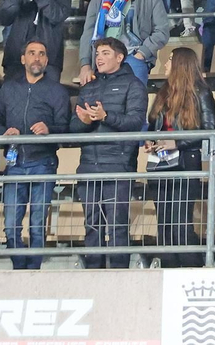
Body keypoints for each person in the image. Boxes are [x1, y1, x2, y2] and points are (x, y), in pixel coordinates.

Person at [0, 39, 70, 269]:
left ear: (46, 60)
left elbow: (66, 128)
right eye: (32, 53)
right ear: (23, 59)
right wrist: (4, 133)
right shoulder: (9, 88)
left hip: (43, 162)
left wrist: (49, 130)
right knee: (11, 224)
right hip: (14, 163)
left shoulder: (57, 91)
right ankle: (18, 268)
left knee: (36, 223)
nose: (37, 58)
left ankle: (34, 270)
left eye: (42, 54)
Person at [74, 37, 146, 268]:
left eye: (105, 53)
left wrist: (106, 117)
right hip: (88, 165)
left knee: (117, 224)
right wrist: (84, 121)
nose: (99, 58)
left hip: (118, 164)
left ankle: (119, 274)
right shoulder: (89, 86)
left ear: (119, 57)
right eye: (97, 54)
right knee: (91, 224)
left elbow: (135, 122)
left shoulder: (134, 85)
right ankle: (94, 273)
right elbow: (71, 127)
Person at [143, 46, 215, 269]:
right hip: (160, 163)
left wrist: (177, 142)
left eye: (170, 60)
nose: (166, 64)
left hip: (185, 161)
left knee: (181, 219)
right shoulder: (162, 92)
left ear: (181, 65)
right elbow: (152, 123)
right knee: (164, 219)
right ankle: (168, 265)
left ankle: (189, 266)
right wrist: (149, 141)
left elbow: (209, 129)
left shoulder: (201, 93)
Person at [78, 0, 168, 83]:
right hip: (103, 57)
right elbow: (89, 30)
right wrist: (85, 64)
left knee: (134, 102)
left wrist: (142, 54)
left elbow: (162, 31)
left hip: (133, 57)